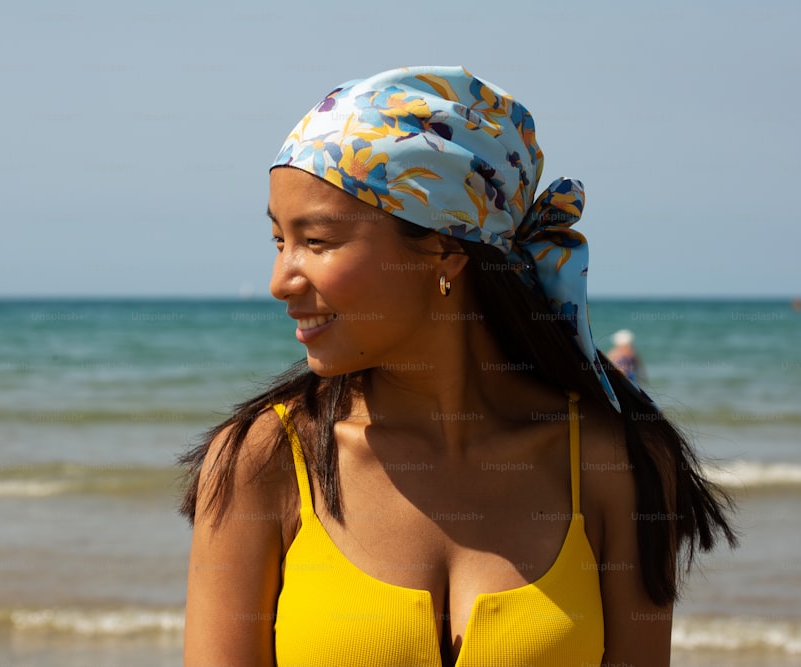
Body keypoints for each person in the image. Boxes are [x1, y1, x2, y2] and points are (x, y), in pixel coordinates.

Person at [179, 66, 735, 667]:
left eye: (316, 241)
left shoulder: (615, 462)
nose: (279, 281)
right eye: (278, 241)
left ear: (443, 249)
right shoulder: (261, 462)